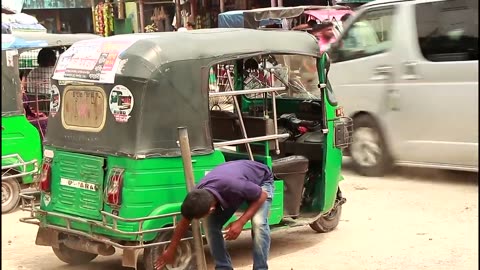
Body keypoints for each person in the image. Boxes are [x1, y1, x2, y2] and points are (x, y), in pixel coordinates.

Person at [155, 160, 275, 270]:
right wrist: (171, 249)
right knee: (209, 224)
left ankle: (260, 268)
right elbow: (184, 222)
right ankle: (223, 267)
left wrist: (240, 222)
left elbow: (261, 196)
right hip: (236, 186)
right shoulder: (197, 196)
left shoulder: (234, 186)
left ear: (212, 208)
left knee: (258, 223)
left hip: (261, 182)